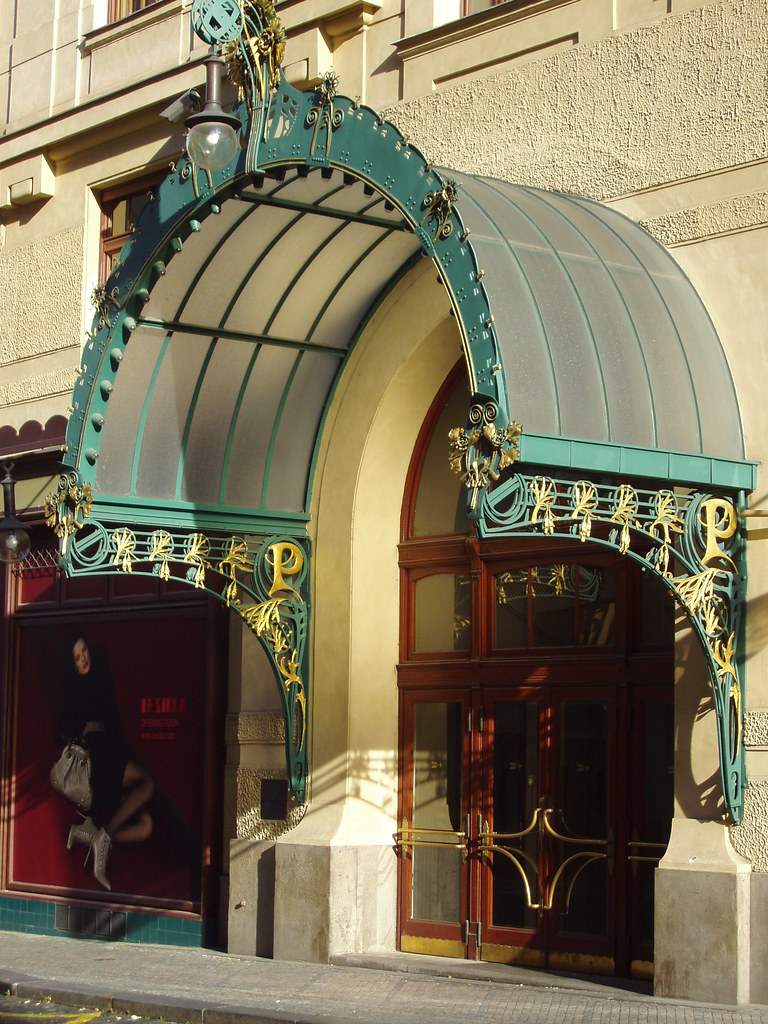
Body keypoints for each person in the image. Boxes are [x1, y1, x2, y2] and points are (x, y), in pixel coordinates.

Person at [56, 633, 154, 890]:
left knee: (145, 826)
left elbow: (114, 720)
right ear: (73, 664)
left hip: (111, 751)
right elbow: (60, 731)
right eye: (77, 657)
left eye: (84, 651)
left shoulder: (101, 677)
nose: (83, 658)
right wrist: (81, 733)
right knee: (147, 784)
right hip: (98, 757)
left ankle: (93, 834)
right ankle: (102, 836)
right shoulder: (75, 689)